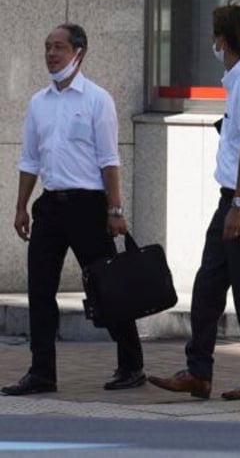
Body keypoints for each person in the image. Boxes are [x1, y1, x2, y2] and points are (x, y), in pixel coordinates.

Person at [3, 24, 144, 396]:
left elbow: (109, 160)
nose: (51, 54)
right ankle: (42, 371)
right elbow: (29, 159)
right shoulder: (38, 103)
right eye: (47, 47)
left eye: (59, 48)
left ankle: (132, 364)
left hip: (89, 206)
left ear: (79, 52)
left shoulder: (98, 100)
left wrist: (115, 209)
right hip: (50, 206)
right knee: (40, 288)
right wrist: (21, 206)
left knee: (107, 287)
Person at [148, 3, 240, 400]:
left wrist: (239, 205)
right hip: (234, 199)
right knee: (209, 284)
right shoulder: (239, 78)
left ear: (223, 40)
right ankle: (198, 370)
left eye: (215, 35)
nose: (213, 42)